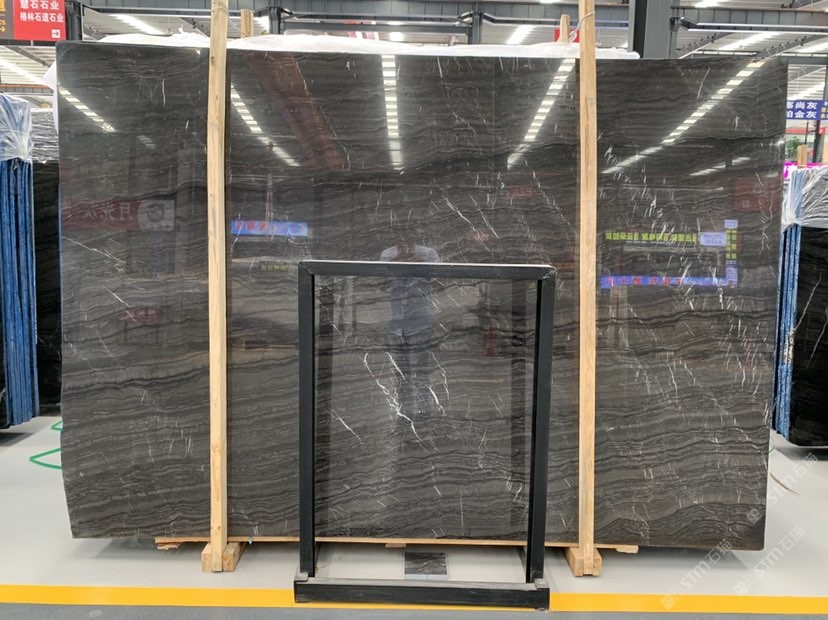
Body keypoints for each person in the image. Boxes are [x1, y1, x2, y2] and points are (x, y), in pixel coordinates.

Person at [380, 223, 440, 442]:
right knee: (400, 372)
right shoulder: (387, 255)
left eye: (407, 232)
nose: (403, 237)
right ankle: (402, 413)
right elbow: (381, 283)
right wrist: (397, 262)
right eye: (398, 233)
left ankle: (424, 414)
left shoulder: (429, 254)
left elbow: (439, 281)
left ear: (415, 234)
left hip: (421, 322)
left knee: (421, 370)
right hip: (397, 323)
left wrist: (417, 262)